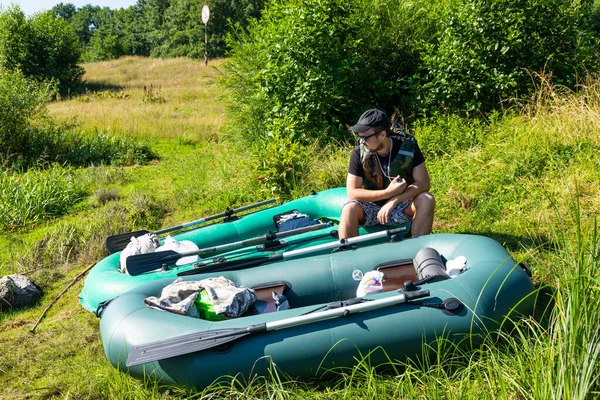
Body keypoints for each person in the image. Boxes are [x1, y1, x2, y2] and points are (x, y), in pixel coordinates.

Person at [339, 109, 435, 239]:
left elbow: (423, 183)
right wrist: (388, 193)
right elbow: (352, 192)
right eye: (359, 137)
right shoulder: (358, 153)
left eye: (365, 137)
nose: (361, 141)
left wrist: (394, 200)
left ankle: (419, 248)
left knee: (427, 199)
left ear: (382, 134)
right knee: (349, 209)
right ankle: (348, 255)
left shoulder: (407, 147)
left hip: (400, 205)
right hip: (371, 207)